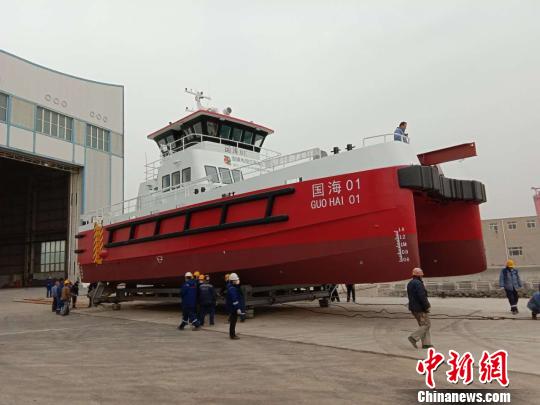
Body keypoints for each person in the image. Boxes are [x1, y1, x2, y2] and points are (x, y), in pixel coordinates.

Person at [407, 267, 433, 349]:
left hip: (413, 308)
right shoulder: (418, 283)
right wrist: (427, 306)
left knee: (423, 325)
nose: (422, 276)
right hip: (420, 309)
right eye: (421, 275)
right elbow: (422, 296)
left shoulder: (410, 283)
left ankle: (426, 344)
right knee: (426, 324)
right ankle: (413, 337)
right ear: (419, 275)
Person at [226, 273, 242, 339]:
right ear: (233, 281)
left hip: (232, 307)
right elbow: (234, 299)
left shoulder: (231, 287)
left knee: (233, 321)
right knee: (233, 322)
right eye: (236, 280)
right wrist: (237, 308)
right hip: (233, 308)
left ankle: (232, 334)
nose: (237, 281)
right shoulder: (232, 289)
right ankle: (232, 335)